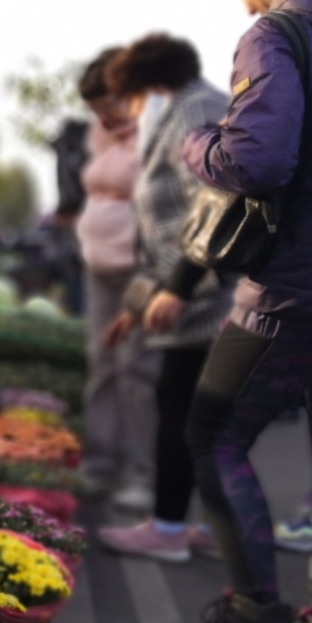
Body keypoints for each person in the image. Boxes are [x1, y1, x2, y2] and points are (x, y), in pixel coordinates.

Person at [171, 0, 312, 623]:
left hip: (298, 289)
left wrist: (196, 145)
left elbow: (259, 157)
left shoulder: (281, 30)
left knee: (213, 432)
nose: (245, 3)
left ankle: (253, 614)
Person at [97, 34, 231, 561]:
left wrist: (175, 289)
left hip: (207, 303)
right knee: (194, 417)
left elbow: (215, 208)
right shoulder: (184, 111)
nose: (131, 113)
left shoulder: (197, 112)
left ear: (147, 87)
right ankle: (197, 525)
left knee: (186, 415)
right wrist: (135, 306)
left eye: (128, 99)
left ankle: (171, 528)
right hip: (190, 300)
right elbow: (166, 231)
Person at [73, 49, 161, 512]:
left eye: (110, 104)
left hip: (139, 267)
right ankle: (102, 463)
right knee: (102, 365)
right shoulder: (99, 133)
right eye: (96, 108)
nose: (104, 115)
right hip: (99, 265)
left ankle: (146, 475)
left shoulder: (156, 130)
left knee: (137, 371)